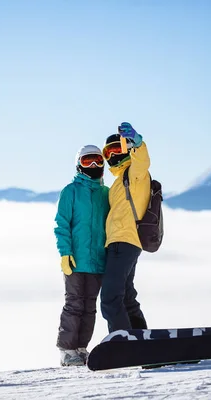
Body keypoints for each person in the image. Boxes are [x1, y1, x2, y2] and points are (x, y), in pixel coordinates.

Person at [54, 144, 110, 366]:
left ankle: (80, 348)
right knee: (74, 304)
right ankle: (67, 351)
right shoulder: (71, 191)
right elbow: (61, 224)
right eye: (88, 161)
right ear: (79, 165)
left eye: (97, 160)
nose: (94, 165)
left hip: (98, 261)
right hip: (76, 260)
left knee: (89, 306)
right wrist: (65, 253)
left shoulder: (106, 194)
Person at [100, 122, 150, 333]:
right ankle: (140, 338)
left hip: (124, 241)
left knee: (110, 297)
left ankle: (122, 341)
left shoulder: (134, 174)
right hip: (122, 243)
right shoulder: (119, 180)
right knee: (127, 296)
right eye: (107, 152)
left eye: (116, 149)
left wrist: (137, 142)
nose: (112, 155)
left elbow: (143, 162)